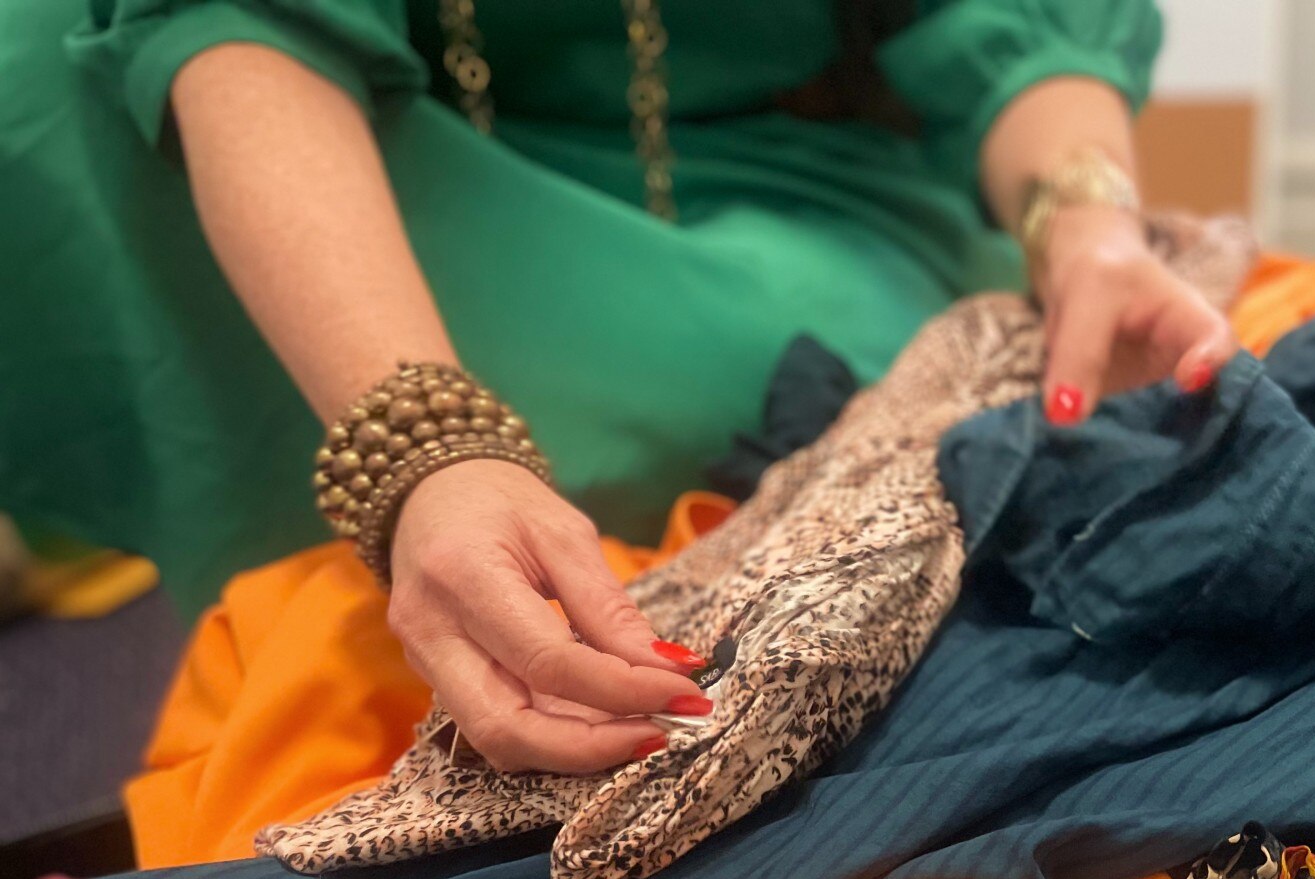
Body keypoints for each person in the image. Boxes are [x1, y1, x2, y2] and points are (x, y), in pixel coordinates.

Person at [0, 0, 1236, 775]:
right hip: (372, 130)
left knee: (789, 392)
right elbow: (231, 27)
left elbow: (1026, 23)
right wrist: (424, 445)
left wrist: (1086, 226)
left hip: (775, 185)